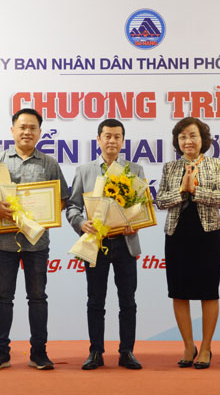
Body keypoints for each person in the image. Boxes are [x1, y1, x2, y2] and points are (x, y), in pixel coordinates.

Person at [0, 108, 69, 371]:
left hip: (37, 243)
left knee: (38, 297)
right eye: (22, 127)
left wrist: (46, 210)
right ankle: (0, 352)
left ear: (40, 132)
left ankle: (39, 353)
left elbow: (63, 198)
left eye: (32, 128)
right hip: (4, 243)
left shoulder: (49, 164)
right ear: (12, 130)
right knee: (3, 297)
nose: (27, 132)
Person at [66, 118, 144, 370]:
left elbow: (143, 206)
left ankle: (127, 351)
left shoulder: (135, 170)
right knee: (95, 300)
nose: (112, 140)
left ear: (123, 141)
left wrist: (137, 222)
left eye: (117, 136)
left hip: (125, 243)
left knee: (127, 301)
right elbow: (73, 206)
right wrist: (80, 223)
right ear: (98, 139)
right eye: (107, 136)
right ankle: (96, 352)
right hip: (96, 244)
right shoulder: (84, 170)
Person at [155, 117, 220, 369]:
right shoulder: (170, 168)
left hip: (207, 234)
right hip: (177, 235)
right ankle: (188, 345)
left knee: (209, 291)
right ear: (178, 141)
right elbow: (161, 201)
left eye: (193, 135)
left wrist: (195, 191)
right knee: (179, 291)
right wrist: (181, 191)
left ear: (203, 140)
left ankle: (206, 347)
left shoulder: (215, 165)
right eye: (183, 136)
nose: (188, 141)